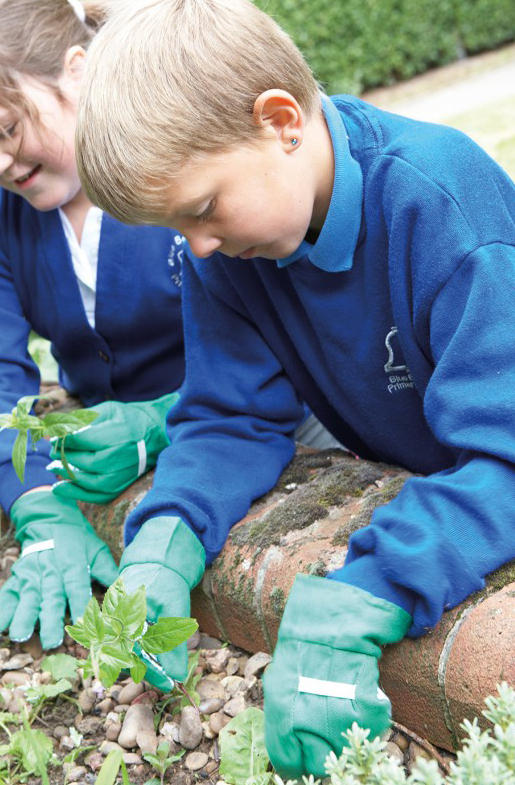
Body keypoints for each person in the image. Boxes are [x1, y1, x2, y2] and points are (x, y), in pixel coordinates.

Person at [73, 0, 515, 777]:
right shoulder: (229, 253)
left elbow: (506, 454)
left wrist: (366, 591)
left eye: (202, 209)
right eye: (178, 228)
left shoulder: (438, 202)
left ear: (280, 121)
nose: (198, 246)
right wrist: (164, 541)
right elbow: (228, 419)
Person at [0, 0, 187, 653]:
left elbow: (274, 339)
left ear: (78, 72)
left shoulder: (174, 159)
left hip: (267, 423)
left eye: (5, 128)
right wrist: (36, 501)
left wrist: (169, 417)